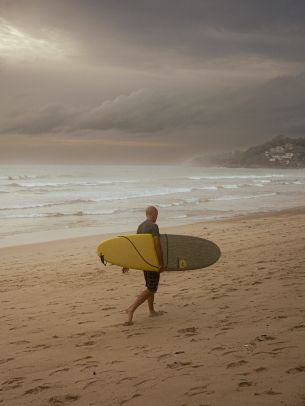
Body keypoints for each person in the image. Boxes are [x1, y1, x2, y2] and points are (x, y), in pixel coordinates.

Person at [123, 206, 165, 326]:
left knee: (149, 285)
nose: (157, 217)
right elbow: (157, 246)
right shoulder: (153, 226)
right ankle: (131, 308)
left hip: (144, 262)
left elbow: (136, 247)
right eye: (156, 214)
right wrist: (161, 262)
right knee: (152, 288)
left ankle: (151, 311)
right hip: (152, 262)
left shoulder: (140, 226)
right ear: (152, 213)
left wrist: (127, 263)